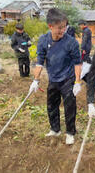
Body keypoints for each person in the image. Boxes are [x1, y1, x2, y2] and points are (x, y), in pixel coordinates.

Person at [29, 8, 82, 145]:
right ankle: (55, 129)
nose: (63, 30)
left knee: (70, 107)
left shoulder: (71, 42)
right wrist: (36, 80)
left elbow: (77, 63)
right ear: (50, 26)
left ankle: (70, 132)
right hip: (53, 79)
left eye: (65, 27)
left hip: (68, 79)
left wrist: (77, 82)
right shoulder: (43, 40)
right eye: (59, 28)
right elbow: (40, 62)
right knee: (52, 105)